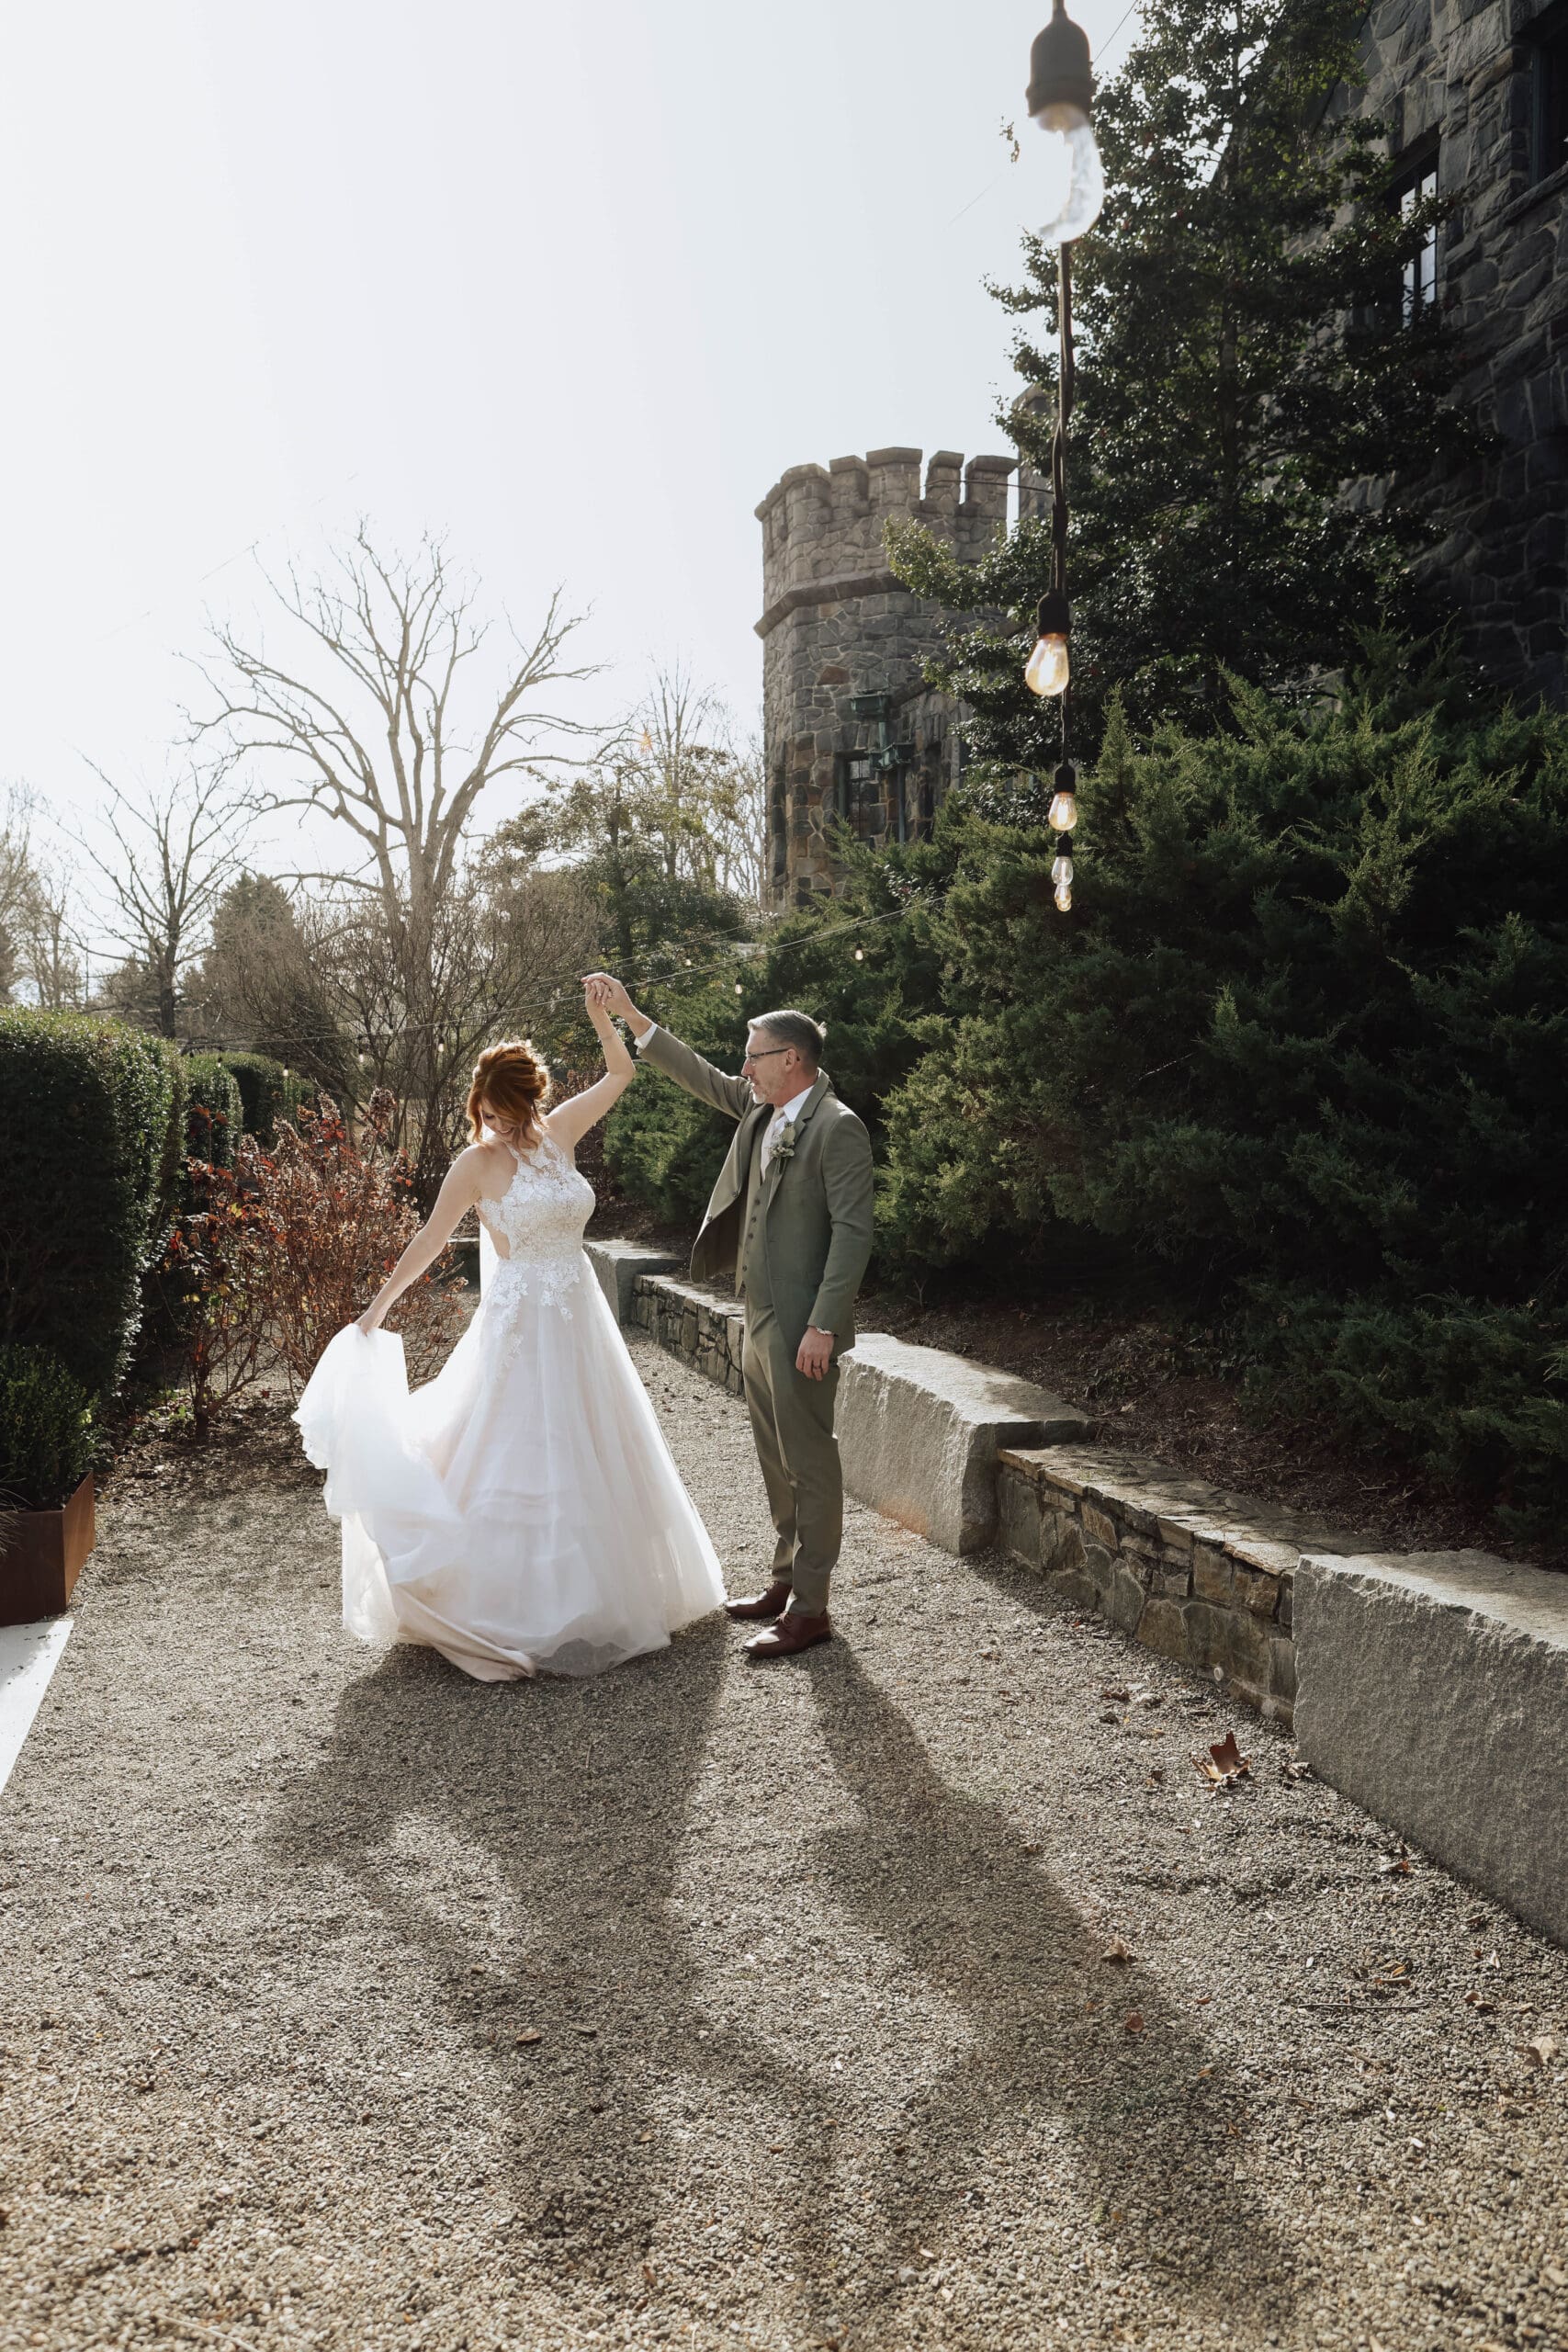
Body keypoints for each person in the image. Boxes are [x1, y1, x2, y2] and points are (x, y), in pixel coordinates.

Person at [293, 985, 725, 1681]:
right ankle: (506, 1602)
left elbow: (621, 1072)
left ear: (529, 1103)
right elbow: (431, 1239)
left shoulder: (560, 1134)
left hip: (578, 1316)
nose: (490, 1123)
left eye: (501, 1112)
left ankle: (593, 1596)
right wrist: (377, 1309)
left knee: (590, 1441)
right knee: (513, 1446)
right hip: (521, 1322)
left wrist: (603, 1016)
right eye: (483, 1113)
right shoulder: (475, 1163)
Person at [583, 974, 874, 1659]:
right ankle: (785, 1582)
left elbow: (853, 1233)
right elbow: (700, 1075)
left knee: (810, 1461)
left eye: (754, 1056)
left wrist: (823, 1325)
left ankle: (811, 1610)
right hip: (757, 1311)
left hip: (802, 1322)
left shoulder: (838, 1128)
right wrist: (629, 1014)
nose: (743, 1069)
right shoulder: (761, 1107)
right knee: (775, 1457)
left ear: (791, 1059)